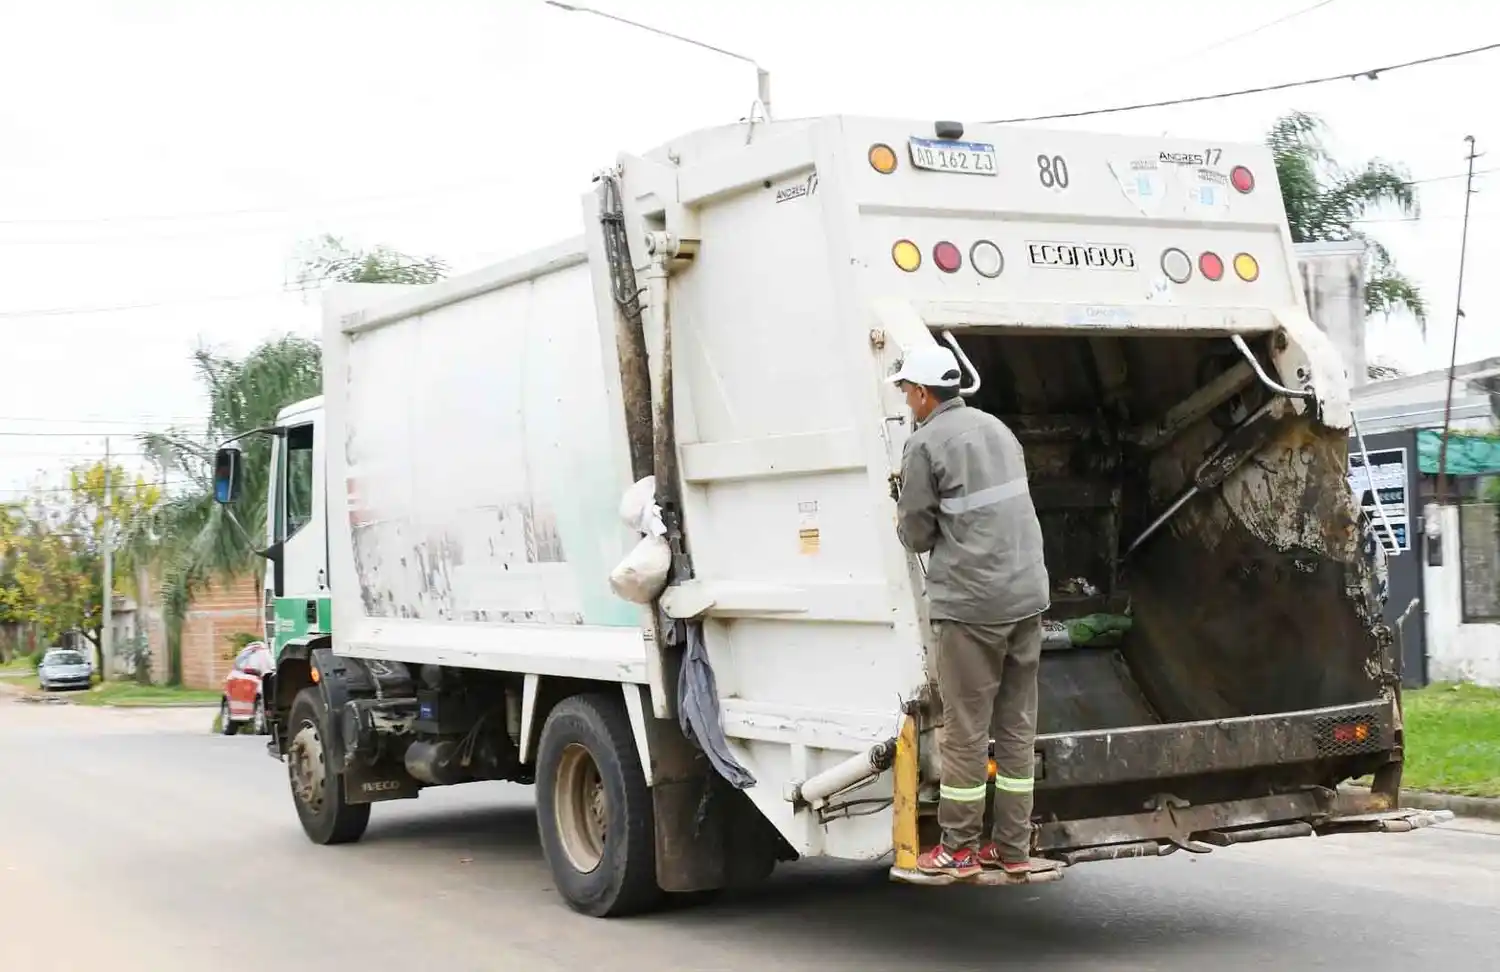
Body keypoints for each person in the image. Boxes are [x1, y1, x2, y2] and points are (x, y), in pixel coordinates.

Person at [889, 343, 1052, 879]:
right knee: (1016, 728)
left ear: (921, 392)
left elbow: (915, 534)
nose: (908, 400)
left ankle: (959, 848)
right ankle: (1013, 846)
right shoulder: (998, 429)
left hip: (973, 609)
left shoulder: (924, 443)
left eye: (907, 391)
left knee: (965, 730)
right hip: (1027, 597)